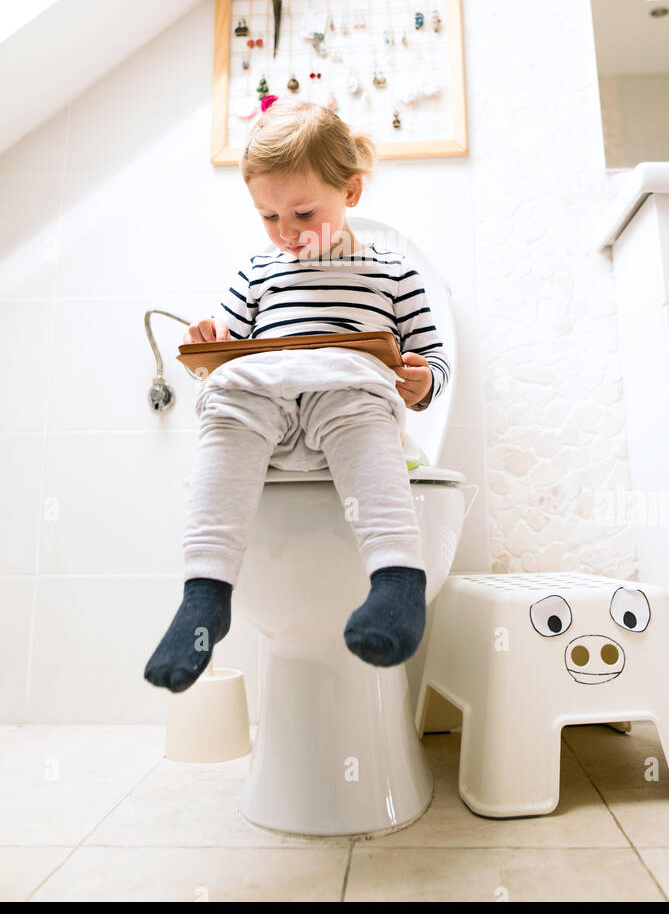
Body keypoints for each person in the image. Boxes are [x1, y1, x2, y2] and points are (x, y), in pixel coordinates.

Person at [143, 97, 451, 692]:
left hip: (350, 412)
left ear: (352, 193)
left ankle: (396, 579)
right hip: (269, 427)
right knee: (231, 396)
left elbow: (432, 360)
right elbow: (223, 356)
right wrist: (211, 342)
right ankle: (206, 593)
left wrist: (420, 381)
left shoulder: (393, 271)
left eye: (303, 213)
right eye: (267, 217)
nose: (285, 233)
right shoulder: (257, 271)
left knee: (355, 389)